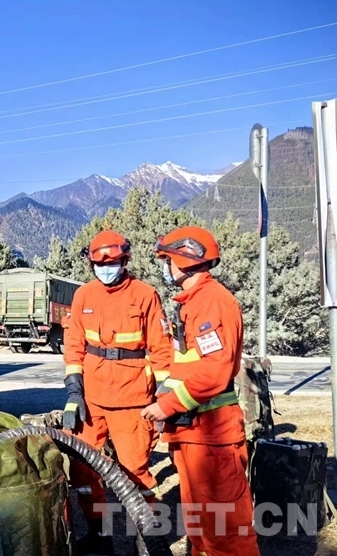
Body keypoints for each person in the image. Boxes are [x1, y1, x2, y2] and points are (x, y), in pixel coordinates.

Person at [141, 226, 260, 556]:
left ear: (185, 259)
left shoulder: (211, 302)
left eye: (167, 260)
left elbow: (215, 370)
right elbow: (188, 366)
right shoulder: (193, 303)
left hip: (213, 438)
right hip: (193, 434)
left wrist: (167, 406)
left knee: (225, 533)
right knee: (201, 529)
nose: (166, 267)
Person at [63, 230, 171, 555]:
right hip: (91, 401)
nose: (106, 269)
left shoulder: (145, 295)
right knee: (82, 471)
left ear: (125, 261)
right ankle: (100, 534)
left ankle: (147, 541)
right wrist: (74, 392)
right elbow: (74, 346)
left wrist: (164, 399)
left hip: (133, 402)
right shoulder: (84, 295)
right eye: (99, 264)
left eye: (112, 263)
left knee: (134, 473)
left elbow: (161, 349)